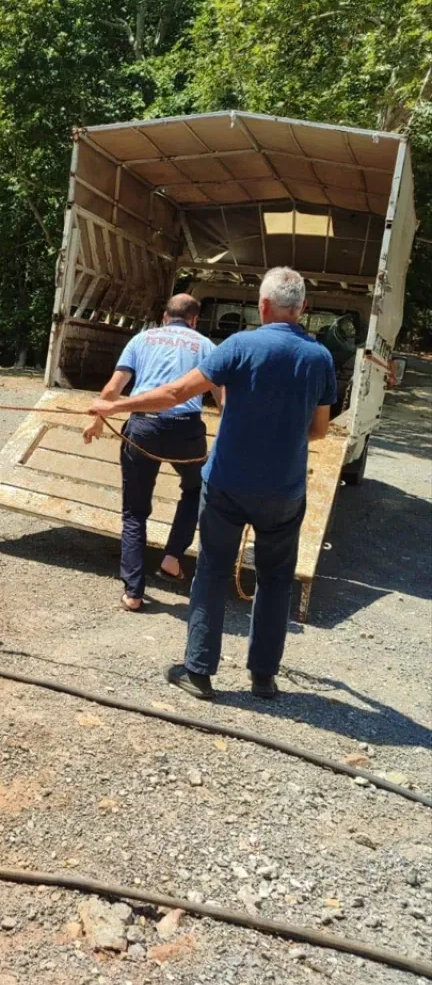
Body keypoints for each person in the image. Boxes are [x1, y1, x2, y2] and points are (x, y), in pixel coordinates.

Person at [89, 268, 336, 701]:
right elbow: (319, 429)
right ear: (303, 309)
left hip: (227, 483)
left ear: (262, 306)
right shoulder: (320, 358)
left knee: (212, 571)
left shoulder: (238, 346)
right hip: (284, 490)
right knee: (276, 580)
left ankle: (199, 672)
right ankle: (263, 678)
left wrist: (113, 405)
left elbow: (174, 394)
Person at [83, 294, 221, 612]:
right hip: (187, 431)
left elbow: (113, 388)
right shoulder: (207, 346)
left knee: (134, 511)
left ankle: (133, 592)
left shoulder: (141, 340)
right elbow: (222, 398)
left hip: (143, 429)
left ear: (164, 317)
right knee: (196, 488)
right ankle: (172, 556)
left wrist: (97, 421)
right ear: (194, 320)